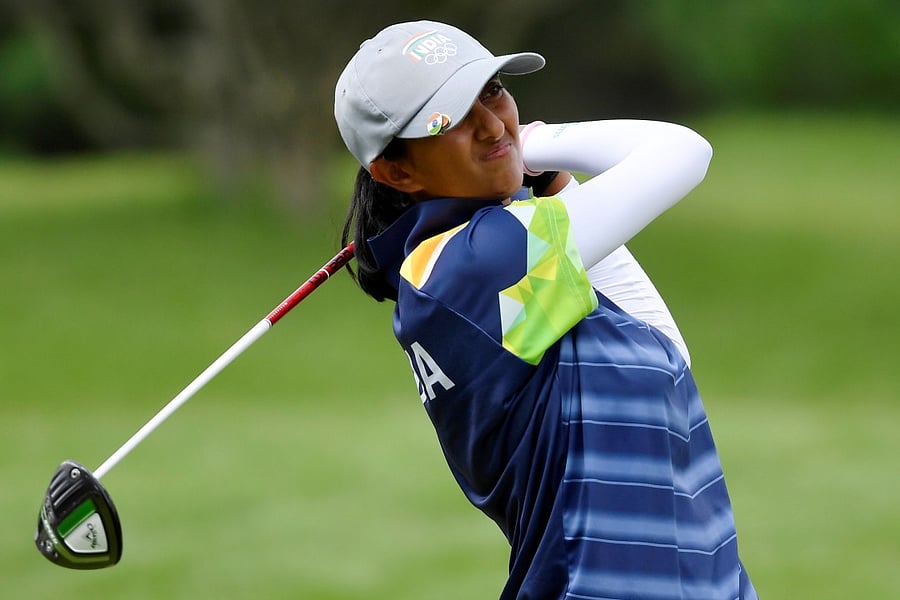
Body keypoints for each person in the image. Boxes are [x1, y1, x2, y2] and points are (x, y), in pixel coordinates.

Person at [334, 20, 758, 600]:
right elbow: (683, 152)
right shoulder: (474, 266)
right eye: (450, 118)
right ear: (396, 171)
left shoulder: (477, 268)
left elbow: (664, 355)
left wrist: (554, 181)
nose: (491, 124)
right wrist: (538, 142)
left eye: (492, 92)